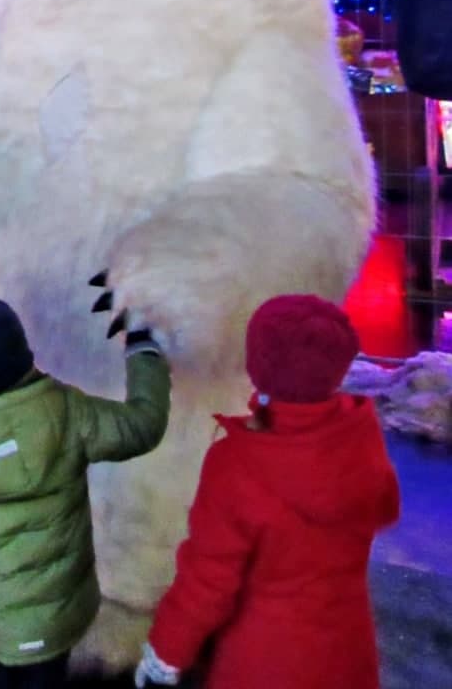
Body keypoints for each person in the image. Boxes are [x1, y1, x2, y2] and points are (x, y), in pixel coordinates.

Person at [0, 296, 171, 689]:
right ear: (22, 354)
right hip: (54, 621)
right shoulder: (68, 412)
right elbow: (144, 425)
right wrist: (143, 348)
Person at [134, 294, 400, 689]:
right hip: (346, 653)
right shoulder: (359, 435)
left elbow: (209, 581)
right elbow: (385, 507)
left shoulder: (238, 464)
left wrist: (165, 654)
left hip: (263, 662)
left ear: (259, 366)